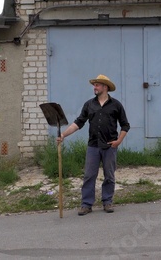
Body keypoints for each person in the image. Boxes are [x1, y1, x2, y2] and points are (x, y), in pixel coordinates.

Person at [57, 74, 130, 216]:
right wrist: (63, 135)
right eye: (94, 85)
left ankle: (107, 201)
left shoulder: (116, 105)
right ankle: (86, 204)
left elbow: (125, 125)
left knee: (109, 175)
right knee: (89, 175)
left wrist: (119, 141)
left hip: (110, 146)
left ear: (105, 87)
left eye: (97, 85)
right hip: (93, 146)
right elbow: (78, 123)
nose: (94, 87)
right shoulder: (89, 104)